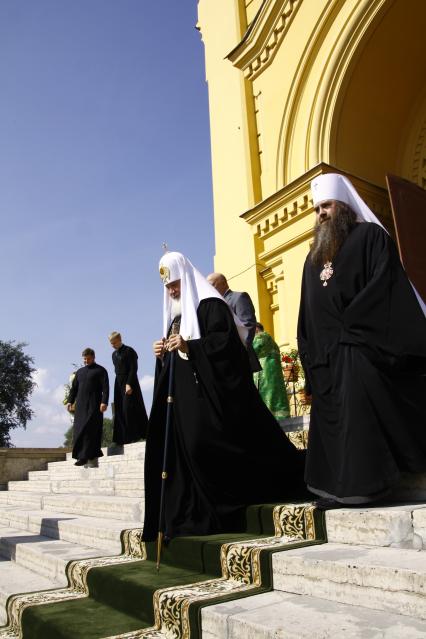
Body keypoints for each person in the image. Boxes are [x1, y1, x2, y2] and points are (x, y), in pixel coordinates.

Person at [142, 251, 306, 541]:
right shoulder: (176, 318)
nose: (172, 291)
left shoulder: (212, 306)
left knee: (204, 447)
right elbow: (176, 361)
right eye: (167, 287)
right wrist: (162, 354)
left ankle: (222, 507)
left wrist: (192, 347)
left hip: (213, 402)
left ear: (187, 278)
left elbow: (228, 348)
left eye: (175, 284)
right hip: (185, 405)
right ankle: (191, 513)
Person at [297, 172, 426, 507]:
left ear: (342, 205)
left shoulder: (370, 237)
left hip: (360, 346)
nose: (320, 213)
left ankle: (366, 487)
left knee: (358, 410)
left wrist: (350, 328)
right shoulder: (313, 258)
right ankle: (335, 489)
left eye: (326, 205)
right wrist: (310, 355)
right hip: (326, 357)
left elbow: (384, 288)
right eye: (316, 209)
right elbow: (306, 313)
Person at [207, 272, 261, 372]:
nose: (209, 288)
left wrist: (234, 349)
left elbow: (248, 326)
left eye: (212, 285)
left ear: (224, 283)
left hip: (239, 357)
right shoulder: (216, 303)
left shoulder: (239, 297)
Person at [66, 348, 109, 467]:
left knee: (90, 429)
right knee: (79, 430)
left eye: (88, 358)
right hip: (80, 406)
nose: (86, 361)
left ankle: (88, 455)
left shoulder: (101, 371)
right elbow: (73, 389)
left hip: (94, 405)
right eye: (84, 359)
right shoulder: (79, 372)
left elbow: (105, 388)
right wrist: (70, 402)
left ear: (93, 357)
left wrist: (104, 402)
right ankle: (82, 456)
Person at [109, 331, 148, 445]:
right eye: (111, 343)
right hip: (118, 383)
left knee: (129, 408)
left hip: (130, 382)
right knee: (119, 409)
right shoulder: (113, 355)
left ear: (120, 339)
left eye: (114, 342)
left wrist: (129, 383)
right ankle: (121, 438)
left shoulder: (129, 351)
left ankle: (135, 435)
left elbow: (133, 368)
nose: (112, 345)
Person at [253, 322, 290, 420]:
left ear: (256, 329)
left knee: (268, 398)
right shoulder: (272, 340)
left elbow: (251, 351)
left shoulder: (260, 337)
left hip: (266, 375)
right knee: (276, 397)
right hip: (275, 375)